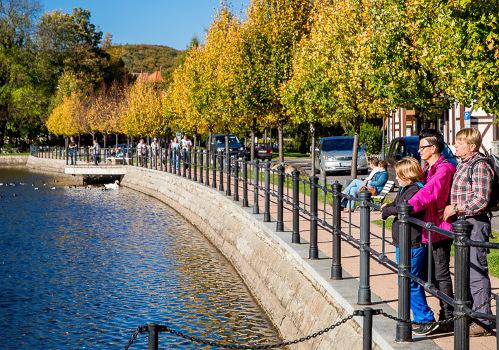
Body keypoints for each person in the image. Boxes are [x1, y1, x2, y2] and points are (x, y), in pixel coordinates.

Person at [442, 128, 494, 336]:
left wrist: (455, 208)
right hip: (463, 225)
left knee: (476, 270)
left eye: (460, 143)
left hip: (474, 223)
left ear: (472, 146)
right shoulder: (463, 164)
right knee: (465, 269)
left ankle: (483, 320)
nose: (456, 146)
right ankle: (470, 313)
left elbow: (481, 199)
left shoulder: (479, 165)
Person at [407, 129, 455, 334]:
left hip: (440, 229)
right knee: (432, 275)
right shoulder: (429, 168)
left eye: (422, 147)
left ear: (433, 148)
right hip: (430, 229)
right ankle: (446, 314)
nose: (419, 151)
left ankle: (449, 317)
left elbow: (429, 192)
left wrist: (407, 207)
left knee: (441, 274)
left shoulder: (443, 169)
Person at [381, 157, 436, 334]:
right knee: (405, 280)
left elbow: (406, 207)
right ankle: (418, 316)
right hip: (404, 243)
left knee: (410, 281)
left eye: (398, 175)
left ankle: (425, 319)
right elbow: (397, 204)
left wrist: (388, 211)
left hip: (412, 244)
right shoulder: (405, 188)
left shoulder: (415, 191)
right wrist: (387, 207)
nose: (396, 178)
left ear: (407, 175)